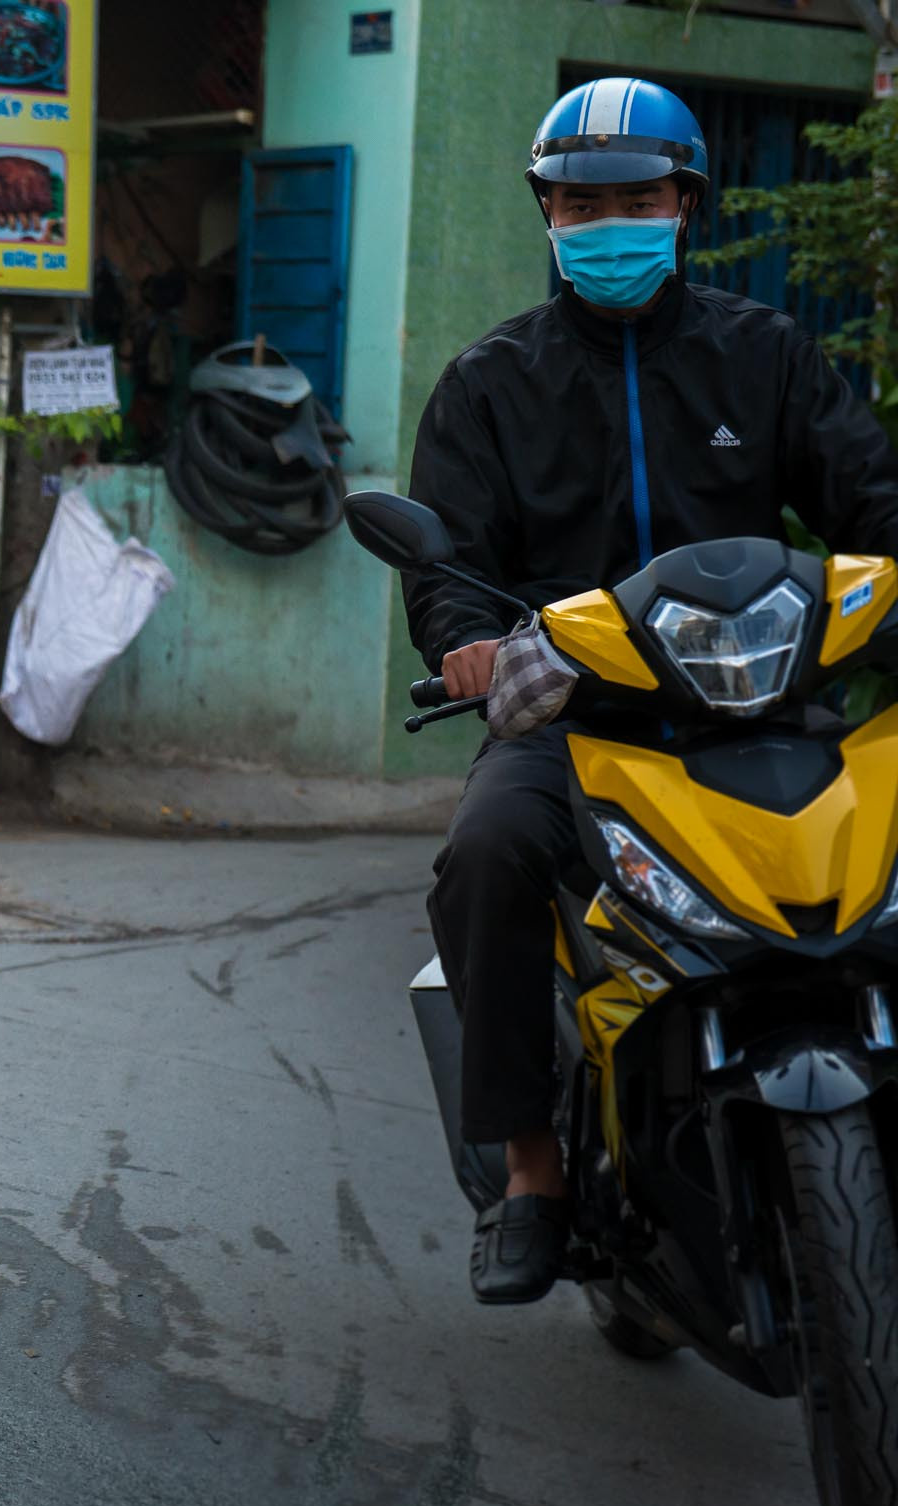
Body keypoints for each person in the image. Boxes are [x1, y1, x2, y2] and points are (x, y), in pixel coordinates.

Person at [405, 77, 898, 1305]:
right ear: (546, 214)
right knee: (484, 856)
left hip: (764, 703)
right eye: (581, 202)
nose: (607, 220)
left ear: (682, 203)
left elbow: (871, 505)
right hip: (577, 720)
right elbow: (449, 567)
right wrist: (465, 638)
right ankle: (529, 1170)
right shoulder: (489, 382)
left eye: (634, 196)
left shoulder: (765, 354)